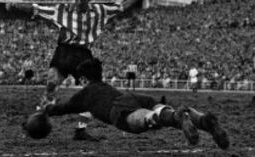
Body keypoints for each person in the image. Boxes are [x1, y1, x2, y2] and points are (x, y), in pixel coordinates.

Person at [7, 0, 151, 141]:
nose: (78, 2)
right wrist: (16, 5)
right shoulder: (62, 10)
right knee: (51, 84)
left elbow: (124, 6)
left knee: (92, 94)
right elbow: (37, 9)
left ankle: (80, 130)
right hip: (63, 51)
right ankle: (35, 121)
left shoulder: (100, 11)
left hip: (83, 55)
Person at [38, 58, 230, 150]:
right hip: (133, 96)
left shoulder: (86, 93)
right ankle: (203, 120)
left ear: (83, 78)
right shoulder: (104, 86)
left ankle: (178, 117)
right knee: (166, 113)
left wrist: (47, 108)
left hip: (118, 108)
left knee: (142, 120)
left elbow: (63, 108)